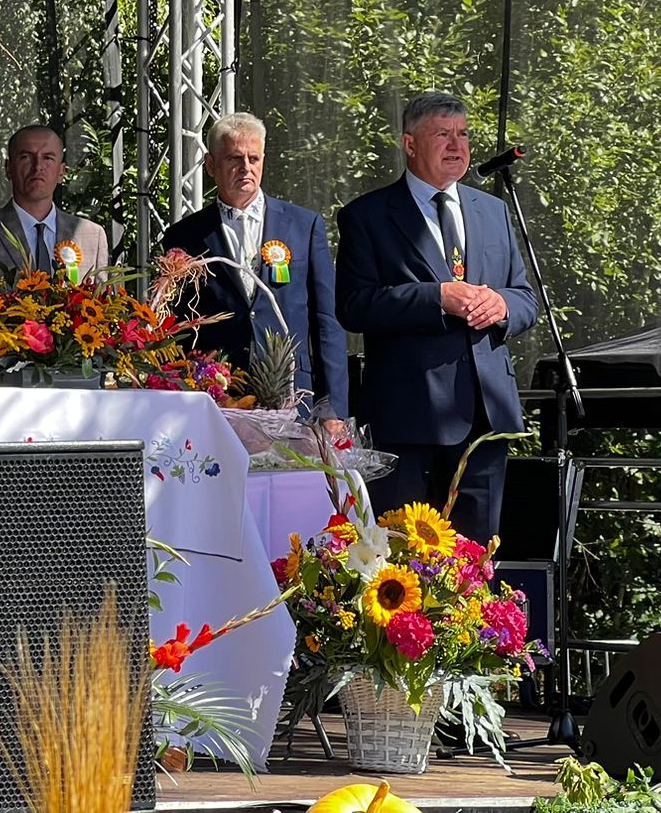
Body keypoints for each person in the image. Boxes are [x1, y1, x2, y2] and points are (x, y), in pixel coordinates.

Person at [337, 91, 540, 542]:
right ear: (410, 145)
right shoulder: (366, 216)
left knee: (476, 563)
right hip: (406, 419)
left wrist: (504, 306)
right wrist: (437, 297)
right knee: (404, 563)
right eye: (442, 134)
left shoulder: (494, 211)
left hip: (485, 416)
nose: (457, 145)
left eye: (463, 134)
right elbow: (354, 305)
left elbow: (527, 298)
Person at [160, 111, 348, 431]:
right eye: (234, 158)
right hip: (217, 396)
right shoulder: (184, 237)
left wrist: (332, 407)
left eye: (254, 158)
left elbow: (327, 321)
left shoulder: (304, 226)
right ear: (210, 165)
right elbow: (175, 327)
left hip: (292, 396)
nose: (246, 167)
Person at [0, 125, 110, 304]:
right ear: (8, 168)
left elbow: (106, 311)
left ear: (62, 171)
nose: (38, 166)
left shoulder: (92, 236)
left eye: (48, 158)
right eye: (26, 157)